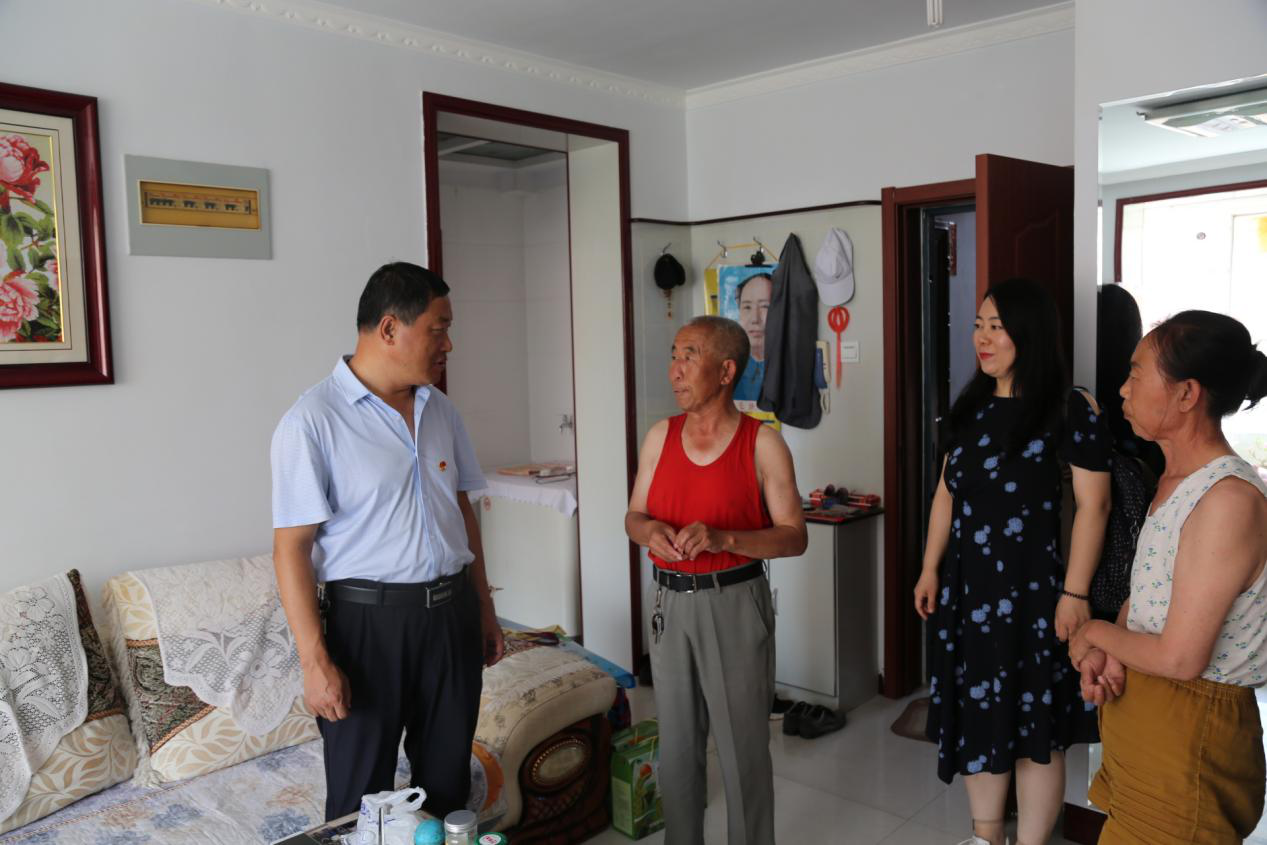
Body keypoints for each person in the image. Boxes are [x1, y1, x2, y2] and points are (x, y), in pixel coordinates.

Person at [270, 262, 504, 821]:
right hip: (367, 628)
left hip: (450, 619)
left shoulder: (441, 410)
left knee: (446, 786)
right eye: (439, 329)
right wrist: (314, 661)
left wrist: (484, 607)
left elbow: (459, 511)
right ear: (390, 328)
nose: (449, 344)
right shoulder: (313, 421)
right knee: (361, 803)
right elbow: (291, 549)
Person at [913, 278, 1112, 845]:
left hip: (1034, 596)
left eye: (996, 327)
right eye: (979, 325)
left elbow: (1094, 505)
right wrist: (929, 567)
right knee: (977, 718)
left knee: (1034, 730)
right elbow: (946, 494)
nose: (982, 337)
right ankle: (985, 836)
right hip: (967, 592)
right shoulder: (970, 406)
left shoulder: (1069, 409)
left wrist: (1074, 594)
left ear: (1030, 332)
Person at [1070, 310, 1267, 844]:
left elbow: (1181, 657)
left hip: (1187, 735)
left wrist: (1093, 632)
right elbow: (1148, 596)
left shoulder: (1227, 500)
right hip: (1149, 716)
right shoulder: (1174, 481)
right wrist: (1113, 650)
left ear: (1186, 394)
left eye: (1136, 373)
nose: (1122, 388)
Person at [625, 315, 806, 845]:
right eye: (674, 355)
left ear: (726, 371)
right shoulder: (660, 437)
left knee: (742, 748)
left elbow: (794, 536)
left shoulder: (762, 443)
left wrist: (726, 538)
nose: (675, 370)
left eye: (690, 356)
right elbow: (633, 516)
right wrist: (650, 531)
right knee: (679, 747)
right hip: (669, 603)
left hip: (735, 601)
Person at [734, 272, 772, 401]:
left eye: (765, 306)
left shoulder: (791, 365)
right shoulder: (730, 367)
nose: (755, 319)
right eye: (747, 307)